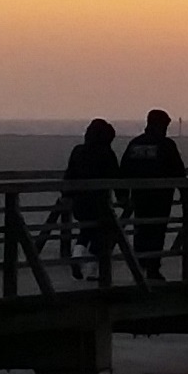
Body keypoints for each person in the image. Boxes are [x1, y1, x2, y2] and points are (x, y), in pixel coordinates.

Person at [121, 111, 188, 279]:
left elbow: (124, 170)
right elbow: (178, 171)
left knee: (141, 229)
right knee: (157, 232)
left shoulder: (135, 144)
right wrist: (185, 196)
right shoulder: (166, 145)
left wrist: (122, 195)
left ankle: (141, 263)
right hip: (161, 197)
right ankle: (152, 268)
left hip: (139, 196)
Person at [62, 120, 121, 281]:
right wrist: (123, 198)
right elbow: (116, 178)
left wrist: (66, 195)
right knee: (106, 232)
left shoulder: (78, 151)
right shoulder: (106, 153)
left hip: (80, 202)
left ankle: (77, 255)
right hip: (100, 202)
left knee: (87, 230)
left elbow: (69, 175)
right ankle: (92, 270)